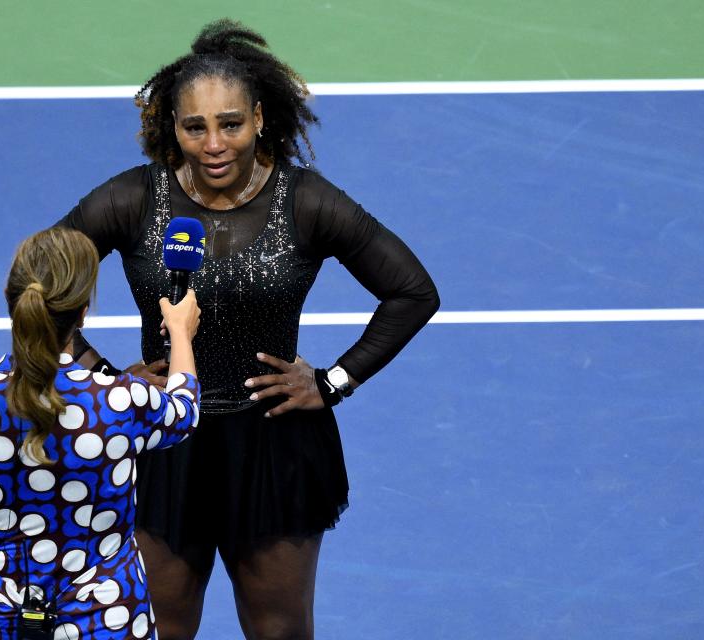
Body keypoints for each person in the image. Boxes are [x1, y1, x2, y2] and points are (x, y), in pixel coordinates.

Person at [56, 19, 440, 640]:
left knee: (280, 631)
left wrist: (335, 381)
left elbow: (413, 292)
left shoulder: (307, 201)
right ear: (170, 128)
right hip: (163, 446)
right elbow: (37, 289)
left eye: (230, 123)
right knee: (160, 629)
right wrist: (103, 380)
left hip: (274, 448)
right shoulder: (131, 199)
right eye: (194, 126)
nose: (213, 144)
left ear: (259, 118)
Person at [0, 226, 202, 639]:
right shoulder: (121, 402)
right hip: (108, 622)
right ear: (83, 311)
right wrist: (180, 332)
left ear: (11, 301)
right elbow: (184, 410)